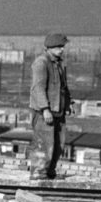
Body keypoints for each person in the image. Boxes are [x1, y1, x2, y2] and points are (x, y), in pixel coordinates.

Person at [28, 33, 73, 180]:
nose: (61, 49)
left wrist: (68, 103)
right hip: (44, 112)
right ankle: (38, 173)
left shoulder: (59, 64)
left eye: (62, 46)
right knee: (43, 143)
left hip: (58, 110)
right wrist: (45, 109)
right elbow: (38, 88)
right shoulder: (41, 63)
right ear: (48, 48)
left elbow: (63, 87)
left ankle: (49, 171)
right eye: (59, 47)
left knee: (58, 144)